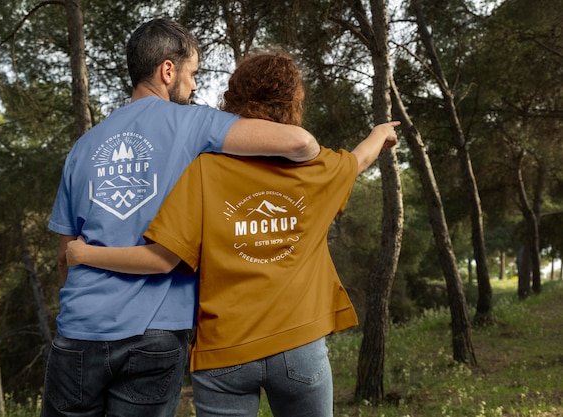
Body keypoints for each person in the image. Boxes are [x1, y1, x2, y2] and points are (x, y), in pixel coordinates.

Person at [65, 52, 399, 417]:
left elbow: (162, 257)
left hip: (222, 353)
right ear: (295, 103)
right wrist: (380, 132)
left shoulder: (205, 169)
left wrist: (84, 253)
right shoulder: (320, 169)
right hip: (299, 343)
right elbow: (360, 159)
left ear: (233, 100)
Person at [41, 19, 321, 417]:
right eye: (191, 75)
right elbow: (300, 142)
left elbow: (65, 254)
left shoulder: (83, 146)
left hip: (79, 330)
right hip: (156, 333)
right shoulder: (194, 123)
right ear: (167, 71)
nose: (193, 87)